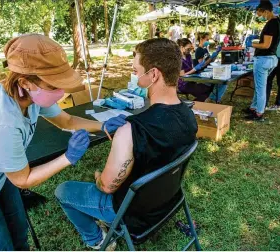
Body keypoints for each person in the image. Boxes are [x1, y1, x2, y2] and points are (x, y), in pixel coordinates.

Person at [0, 34, 126, 251]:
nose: (61, 92)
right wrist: (67, 157)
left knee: (19, 235)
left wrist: (102, 126)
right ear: (25, 82)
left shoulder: (31, 96)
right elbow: (23, 179)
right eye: (54, 85)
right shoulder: (1, 122)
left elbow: (68, 120)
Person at [55, 38, 198, 249]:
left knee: (63, 190)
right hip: (167, 200)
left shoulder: (131, 129)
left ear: (154, 74)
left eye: (136, 70)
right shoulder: (189, 114)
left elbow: (106, 186)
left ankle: (97, 239)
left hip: (133, 212)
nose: (134, 75)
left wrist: (98, 178)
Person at [244, 1, 280, 121]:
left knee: (261, 88)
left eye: (260, 13)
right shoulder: (279, 22)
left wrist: (252, 44)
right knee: (259, 85)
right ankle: (253, 107)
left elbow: (266, 45)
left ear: (266, 11)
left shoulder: (271, 24)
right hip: (271, 58)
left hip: (264, 59)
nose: (259, 16)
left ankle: (259, 113)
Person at [194, 32, 226, 103]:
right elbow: (201, 64)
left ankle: (214, 98)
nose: (208, 41)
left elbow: (211, 60)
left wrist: (216, 53)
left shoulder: (205, 49)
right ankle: (213, 98)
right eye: (207, 39)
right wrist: (211, 57)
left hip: (208, 69)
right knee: (222, 80)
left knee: (224, 80)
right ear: (201, 39)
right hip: (202, 72)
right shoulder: (198, 50)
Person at [266, 1, 280, 111]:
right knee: (268, 79)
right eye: (279, 5)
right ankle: (265, 102)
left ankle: (278, 104)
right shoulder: (277, 21)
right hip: (273, 56)